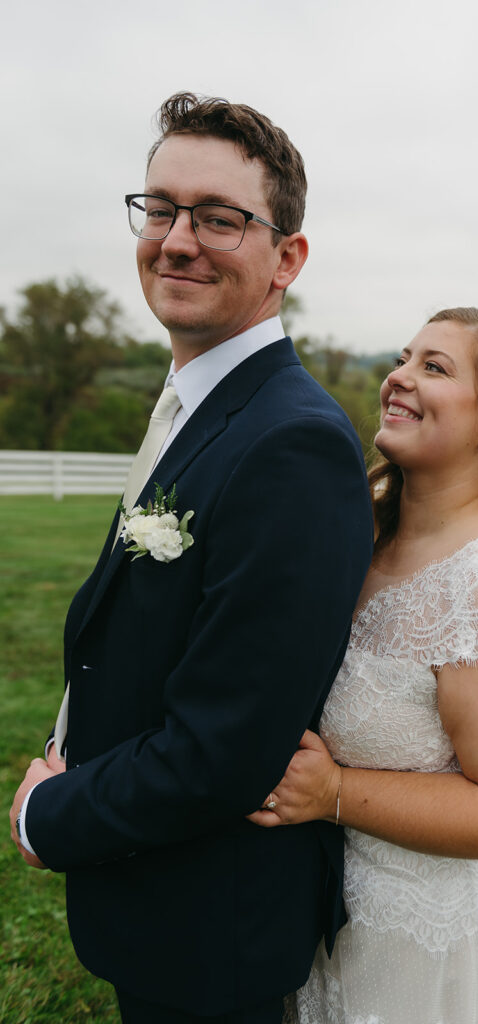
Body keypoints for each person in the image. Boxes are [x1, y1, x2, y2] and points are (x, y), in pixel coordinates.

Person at [9, 92, 373, 1023]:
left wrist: (50, 815)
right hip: (161, 900)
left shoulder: (292, 442)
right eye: (160, 208)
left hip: (215, 925)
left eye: (219, 218)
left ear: (286, 256)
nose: (176, 240)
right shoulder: (198, 404)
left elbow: (228, 746)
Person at [249, 307, 478, 1024]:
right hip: (324, 917)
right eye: (404, 358)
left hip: (441, 952)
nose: (399, 378)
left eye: (435, 367)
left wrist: (334, 792)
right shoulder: (358, 522)